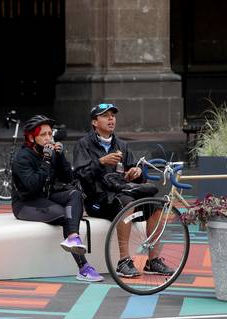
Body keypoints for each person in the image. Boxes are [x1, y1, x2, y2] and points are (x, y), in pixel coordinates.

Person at [73, 103, 173, 277]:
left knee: (157, 205)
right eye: (105, 115)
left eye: (113, 115)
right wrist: (101, 162)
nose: (111, 119)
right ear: (95, 122)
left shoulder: (121, 145)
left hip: (122, 195)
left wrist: (137, 172)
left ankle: (153, 261)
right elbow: (80, 176)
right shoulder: (83, 144)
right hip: (96, 201)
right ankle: (124, 261)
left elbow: (137, 173)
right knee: (126, 203)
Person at [11, 115, 103, 282]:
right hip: (26, 203)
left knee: (74, 194)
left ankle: (73, 237)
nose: (48, 138)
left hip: (47, 196)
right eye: (43, 135)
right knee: (63, 215)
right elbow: (32, 187)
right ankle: (83, 267)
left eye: (49, 134)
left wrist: (60, 157)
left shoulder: (51, 153)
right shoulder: (22, 157)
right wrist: (46, 160)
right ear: (32, 137)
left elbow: (68, 177)